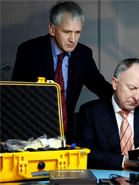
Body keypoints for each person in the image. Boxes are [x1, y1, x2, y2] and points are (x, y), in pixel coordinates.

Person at [11, 1, 113, 144]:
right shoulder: (29, 51)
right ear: (52, 29)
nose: (73, 39)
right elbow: (18, 98)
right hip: (30, 135)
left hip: (66, 135)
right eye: (67, 32)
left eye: (77, 32)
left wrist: (127, 97)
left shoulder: (84, 55)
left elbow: (101, 87)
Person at [76, 58, 139, 172]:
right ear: (115, 84)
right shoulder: (90, 112)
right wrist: (123, 161)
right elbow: (84, 153)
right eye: (132, 88)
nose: (137, 97)